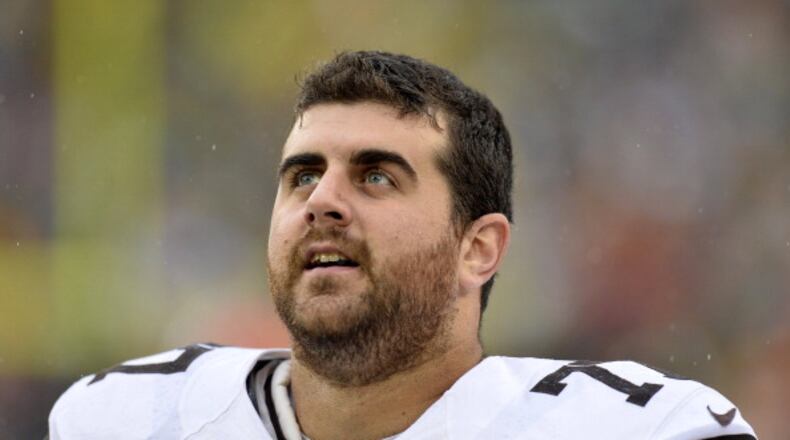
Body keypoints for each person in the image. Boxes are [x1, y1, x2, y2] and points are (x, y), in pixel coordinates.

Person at [47, 51, 757, 440]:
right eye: (302, 176)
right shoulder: (125, 419)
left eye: (376, 176)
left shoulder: (642, 432)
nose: (322, 199)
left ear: (478, 249)